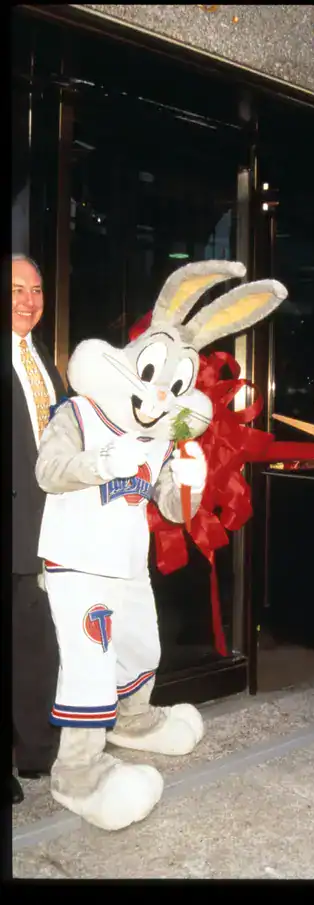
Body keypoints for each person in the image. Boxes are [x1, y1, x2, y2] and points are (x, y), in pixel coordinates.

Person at [11, 254, 65, 804]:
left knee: (33, 644)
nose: (29, 300)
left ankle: (34, 753)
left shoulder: (41, 358)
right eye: (17, 290)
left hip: (40, 526)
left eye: (36, 289)